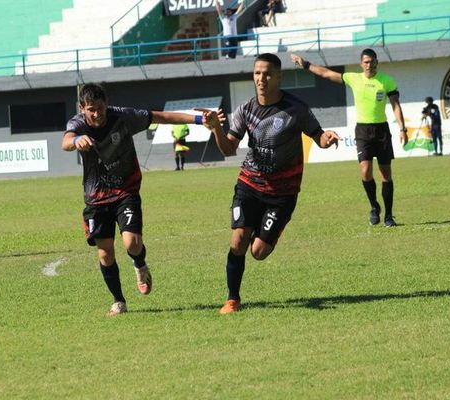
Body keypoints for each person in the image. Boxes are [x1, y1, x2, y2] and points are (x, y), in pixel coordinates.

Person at [62, 83, 222, 316]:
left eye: (99, 108)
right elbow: (66, 140)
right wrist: (76, 141)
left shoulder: (124, 117)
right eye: (90, 110)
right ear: (82, 108)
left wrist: (199, 120)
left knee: (132, 244)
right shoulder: (77, 123)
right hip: (95, 197)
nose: (96, 114)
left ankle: (140, 264)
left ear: (105, 103)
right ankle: (118, 301)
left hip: (125, 190)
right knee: (105, 252)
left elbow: (162, 116)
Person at [200, 53, 341, 314]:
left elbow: (318, 136)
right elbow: (230, 149)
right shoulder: (245, 109)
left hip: (282, 192)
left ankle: (270, 230)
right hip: (250, 184)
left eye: (266, 73)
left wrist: (327, 138)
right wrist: (216, 130)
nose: (261, 78)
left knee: (258, 252)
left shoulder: (296, 109)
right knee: (238, 240)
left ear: (278, 76)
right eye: (256, 73)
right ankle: (232, 299)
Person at [291, 49, 408, 227]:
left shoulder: (387, 81)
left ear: (377, 62)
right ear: (361, 64)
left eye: (372, 61)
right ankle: (374, 206)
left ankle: (389, 216)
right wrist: (305, 64)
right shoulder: (354, 78)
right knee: (365, 171)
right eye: (366, 62)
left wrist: (402, 128)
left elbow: (396, 105)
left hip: (382, 131)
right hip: (362, 130)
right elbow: (327, 73)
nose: (369, 65)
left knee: (386, 174)